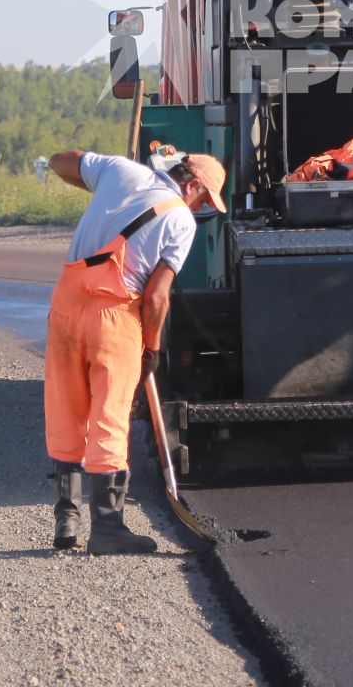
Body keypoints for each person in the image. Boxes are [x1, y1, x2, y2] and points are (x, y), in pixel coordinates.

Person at [42, 145, 227, 554]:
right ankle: (107, 529)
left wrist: (93, 182)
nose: (201, 208)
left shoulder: (118, 172)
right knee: (110, 415)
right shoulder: (180, 219)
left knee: (66, 410)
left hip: (66, 305)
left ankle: (66, 519)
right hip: (116, 314)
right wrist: (153, 348)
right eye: (204, 199)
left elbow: (59, 161)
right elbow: (157, 298)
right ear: (191, 183)